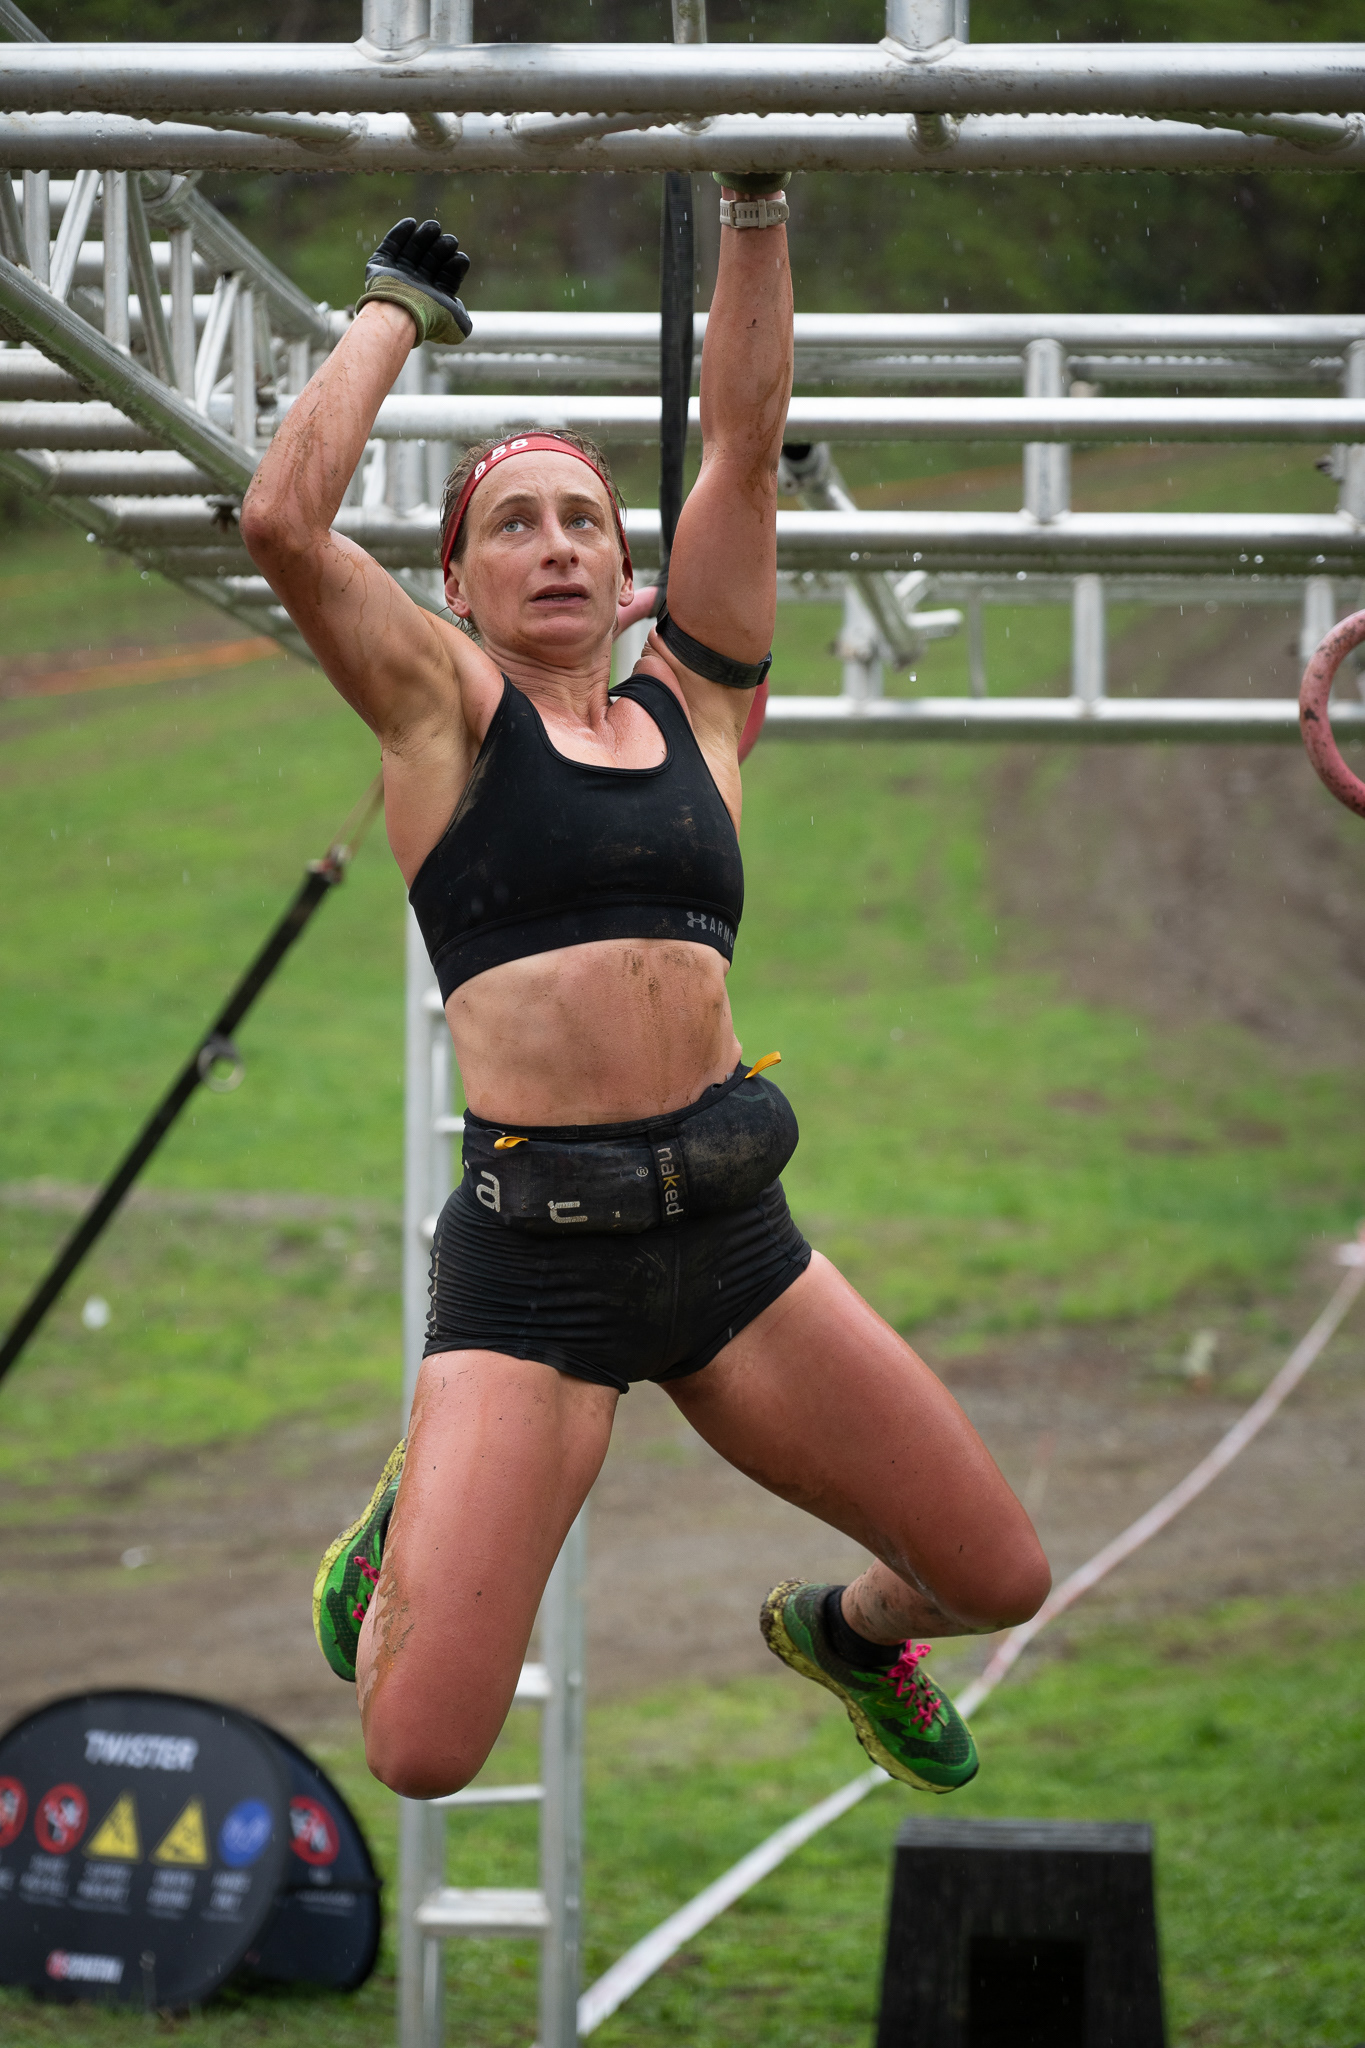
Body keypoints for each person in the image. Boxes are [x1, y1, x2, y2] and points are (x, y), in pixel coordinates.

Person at [241, 191, 1050, 1804]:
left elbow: (739, 448)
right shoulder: (439, 716)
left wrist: (754, 207)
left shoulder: (702, 710)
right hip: (538, 1279)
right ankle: (422, 1502)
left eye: (582, 521)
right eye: (510, 525)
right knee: (420, 1750)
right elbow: (279, 522)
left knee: (993, 1578)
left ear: (626, 572)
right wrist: (397, 306)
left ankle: (843, 1636)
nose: (553, 543)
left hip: (735, 1246)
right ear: (455, 586)